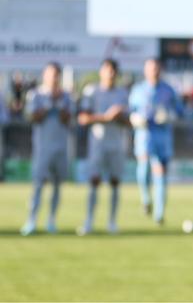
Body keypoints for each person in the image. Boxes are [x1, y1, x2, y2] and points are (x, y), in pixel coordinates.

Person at [76, 59, 130, 235]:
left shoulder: (122, 94)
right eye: (107, 70)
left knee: (115, 182)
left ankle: (112, 222)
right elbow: (83, 118)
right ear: (101, 72)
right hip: (97, 144)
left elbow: (128, 121)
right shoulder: (92, 92)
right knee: (94, 181)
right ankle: (89, 221)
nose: (111, 73)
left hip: (116, 144)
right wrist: (107, 117)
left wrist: (119, 117)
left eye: (114, 70)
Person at [129, 57, 183, 224]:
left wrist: (169, 116)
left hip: (162, 136)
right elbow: (130, 112)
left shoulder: (169, 90)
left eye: (157, 68)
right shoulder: (138, 90)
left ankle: (159, 214)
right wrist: (135, 119)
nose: (154, 71)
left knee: (160, 173)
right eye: (151, 68)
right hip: (144, 134)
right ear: (145, 71)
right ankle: (145, 199)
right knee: (144, 165)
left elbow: (179, 111)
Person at [21, 62, 73, 236]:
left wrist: (59, 104)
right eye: (51, 74)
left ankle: (51, 220)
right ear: (45, 75)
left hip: (61, 146)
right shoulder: (36, 95)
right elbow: (34, 117)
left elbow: (68, 118)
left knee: (57, 184)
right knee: (38, 184)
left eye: (56, 75)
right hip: (42, 147)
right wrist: (50, 104)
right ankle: (32, 220)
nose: (54, 78)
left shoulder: (66, 96)